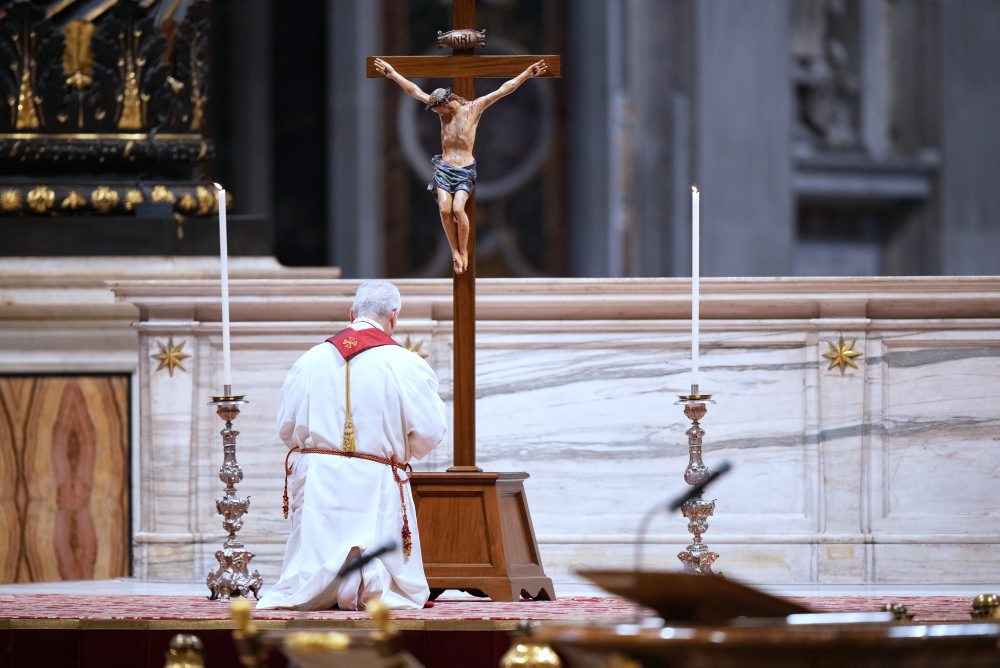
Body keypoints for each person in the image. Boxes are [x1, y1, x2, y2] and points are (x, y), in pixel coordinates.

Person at [257, 280, 447, 611]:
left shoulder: (309, 360)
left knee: (315, 545)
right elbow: (430, 430)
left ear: (351, 314)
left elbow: (286, 427)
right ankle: (366, 580)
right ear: (394, 316)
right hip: (377, 475)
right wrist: (401, 453)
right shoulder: (405, 363)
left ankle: (326, 583)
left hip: (319, 474)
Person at [374, 57, 548, 275]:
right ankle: (455, 251)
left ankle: (463, 251)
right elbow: (414, 91)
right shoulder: (442, 113)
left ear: (447, 102)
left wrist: (526, 75)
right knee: (445, 211)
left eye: (438, 110)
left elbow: (504, 90)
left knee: (458, 209)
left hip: (464, 169)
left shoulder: (473, 109)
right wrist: (392, 74)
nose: (438, 115)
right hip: (444, 169)